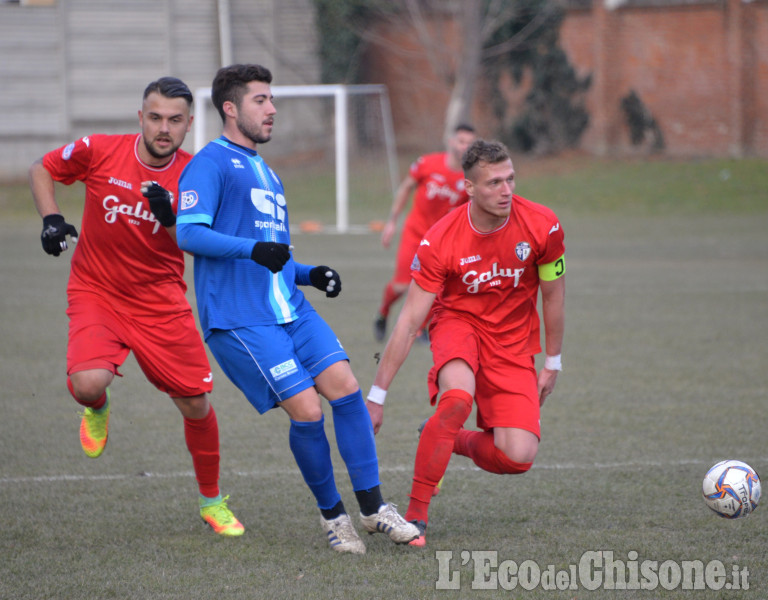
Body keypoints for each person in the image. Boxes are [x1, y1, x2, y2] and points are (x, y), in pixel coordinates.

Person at [165, 63, 419, 554]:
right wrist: (251, 249)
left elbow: (273, 254)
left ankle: (373, 510)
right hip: (240, 318)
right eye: (261, 100)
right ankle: (335, 519)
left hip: (290, 308)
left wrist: (308, 273)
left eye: (271, 99)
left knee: (346, 388)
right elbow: (189, 233)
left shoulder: (268, 172)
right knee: (306, 410)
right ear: (231, 108)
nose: (272, 109)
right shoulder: (209, 163)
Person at [29, 77, 244, 537]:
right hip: (96, 291)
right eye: (155, 117)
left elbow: (197, 246)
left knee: (195, 404)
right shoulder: (100, 150)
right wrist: (50, 218)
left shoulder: (197, 175)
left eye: (174, 120)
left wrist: (169, 217)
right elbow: (42, 168)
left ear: (189, 124)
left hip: (159, 302)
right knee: (87, 383)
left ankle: (211, 501)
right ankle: (97, 405)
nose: (163, 128)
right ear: (140, 118)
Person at [366, 139, 566, 547]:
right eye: (494, 183)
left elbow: (554, 296)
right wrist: (377, 395)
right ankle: (416, 515)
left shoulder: (544, 225)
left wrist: (553, 361)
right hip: (457, 323)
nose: (506, 190)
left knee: (517, 457)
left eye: (510, 179)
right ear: (469, 188)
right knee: (457, 399)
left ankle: (446, 436)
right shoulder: (441, 239)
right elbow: (408, 322)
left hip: (512, 340)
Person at [374, 123, 477, 342]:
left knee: (440, 286)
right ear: (451, 142)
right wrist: (392, 222)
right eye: (461, 141)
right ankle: (383, 312)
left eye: (469, 143)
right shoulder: (428, 163)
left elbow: (471, 211)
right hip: (415, 233)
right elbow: (405, 188)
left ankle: (421, 328)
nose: (464, 146)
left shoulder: (470, 177)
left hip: (441, 240)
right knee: (402, 285)